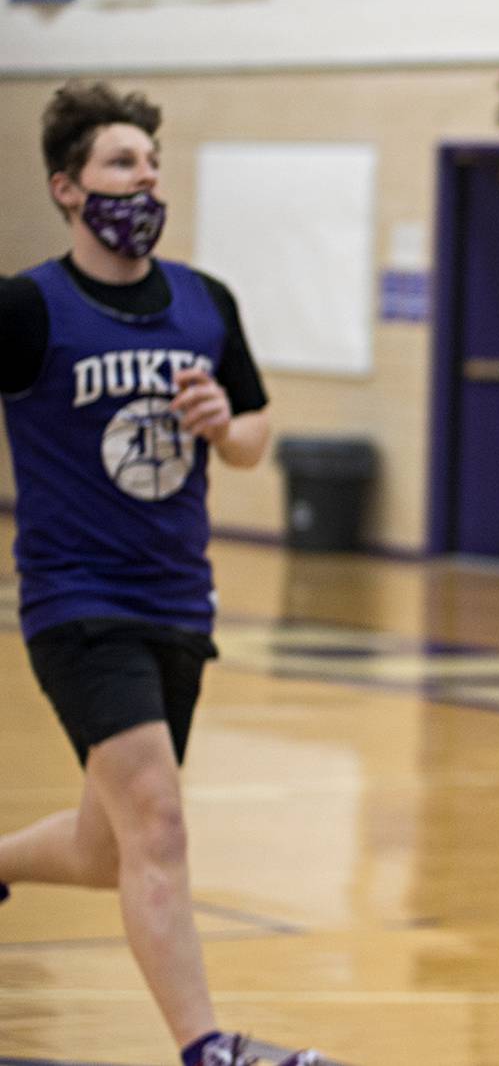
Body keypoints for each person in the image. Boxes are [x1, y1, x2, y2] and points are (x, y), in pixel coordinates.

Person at [0, 82, 319, 1066]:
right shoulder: (28, 308)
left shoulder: (203, 300)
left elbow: (255, 438)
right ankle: (205, 1045)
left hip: (179, 600)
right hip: (76, 600)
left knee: (108, 847)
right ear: (67, 187)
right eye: (120, 163)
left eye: (150, 163)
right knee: (160, 819)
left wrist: (228, 423)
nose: (143, 180)